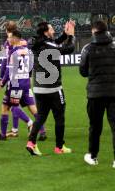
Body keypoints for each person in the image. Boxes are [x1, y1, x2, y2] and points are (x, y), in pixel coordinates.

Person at [26, 20, 75, 156]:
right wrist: (71, 36)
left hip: (39, 88)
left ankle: (31, 143)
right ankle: (59, 147)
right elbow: (69, 48)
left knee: (40, 116)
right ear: (46, 32)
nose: (53, 31)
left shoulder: (37, 43)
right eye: (52, 29)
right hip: (54, 88)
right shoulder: (49, 45)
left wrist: (65, 34)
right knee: (59, 117)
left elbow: (53, 42)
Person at [0, 27, 46, 141]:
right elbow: (31, 66)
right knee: (32, 108)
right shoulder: (28, 51)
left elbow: (8, 71)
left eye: (10, 37)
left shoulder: (13, 52)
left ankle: (28, 123)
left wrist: (1, 83)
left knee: (9, 106)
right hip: (26, 82)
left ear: (15, 38)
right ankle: (43, 131)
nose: (8, 39)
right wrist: (29, 77)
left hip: (15, 83)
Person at [79, 20, 115, 168]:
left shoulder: (87, 49)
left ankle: (93, 156)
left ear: (94, 31)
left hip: (95, 94)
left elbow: (82, 71)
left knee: (95, 126)